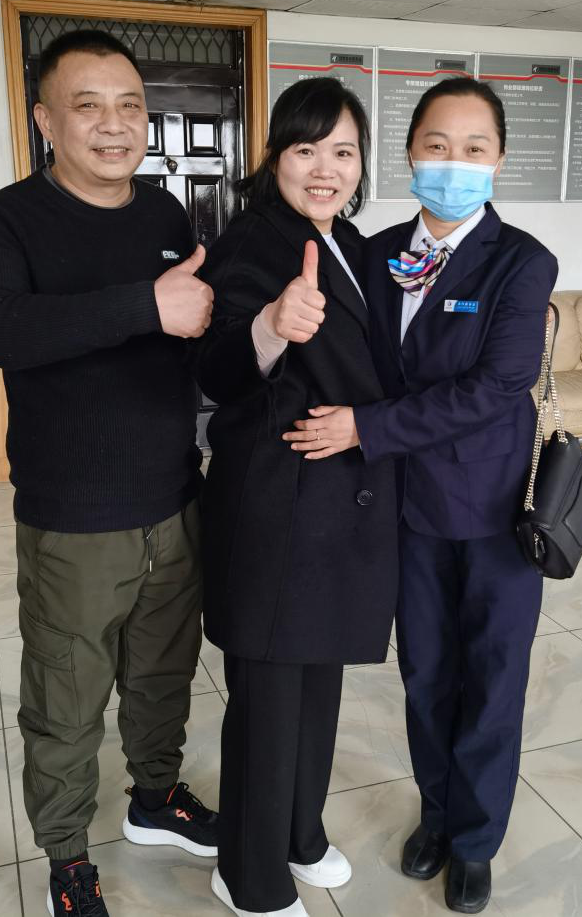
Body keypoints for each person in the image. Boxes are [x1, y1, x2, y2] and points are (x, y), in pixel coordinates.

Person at [0, 29, 219, 917]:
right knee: (66, 699)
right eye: (88, 106)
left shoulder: (166, 215)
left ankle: (156, 797)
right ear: (45, 121)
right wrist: (146, 304)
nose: (114, 125)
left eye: (130, 105)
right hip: (73, 516)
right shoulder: (3, 219)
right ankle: (67, 854)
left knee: (162, 675)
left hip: (173, 498)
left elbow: (186, 337)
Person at [285, 77, 558, 915]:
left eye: (475, 148)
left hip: (493, 511)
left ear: (498, 160)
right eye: (437, 145)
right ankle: (437, 816)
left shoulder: (521, 262)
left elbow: (497, 386)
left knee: (492, 680)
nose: (454, 162)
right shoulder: (373, 255)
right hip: (401, 508)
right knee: (427, 673)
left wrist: (366, 427)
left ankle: (475, 842)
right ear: (409, 152)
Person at [195, 77, 398, 917]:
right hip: (278, 506)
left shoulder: (347, 240)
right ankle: (249, 874)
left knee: (318, 681)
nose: (326, 169)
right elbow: (215, 371)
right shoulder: (254, 243)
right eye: (307, 149)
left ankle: (300, 834)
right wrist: (270, 326)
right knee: (271, 699)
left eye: (343, 152)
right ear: (275, 155)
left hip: (337, 506)